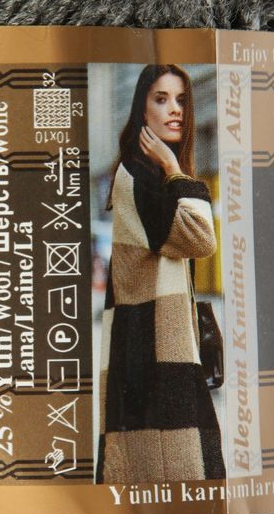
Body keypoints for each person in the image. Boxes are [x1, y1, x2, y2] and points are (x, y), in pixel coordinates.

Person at [96, 64, 226, 484]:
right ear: (142, 109)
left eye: (182, 100)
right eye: (161, 98)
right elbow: (202, 239)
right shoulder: (140, 176)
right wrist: (173, 167)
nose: (175, 109)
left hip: (154, 344)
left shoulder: (143, 175)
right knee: (179, 476)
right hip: (152, 349)